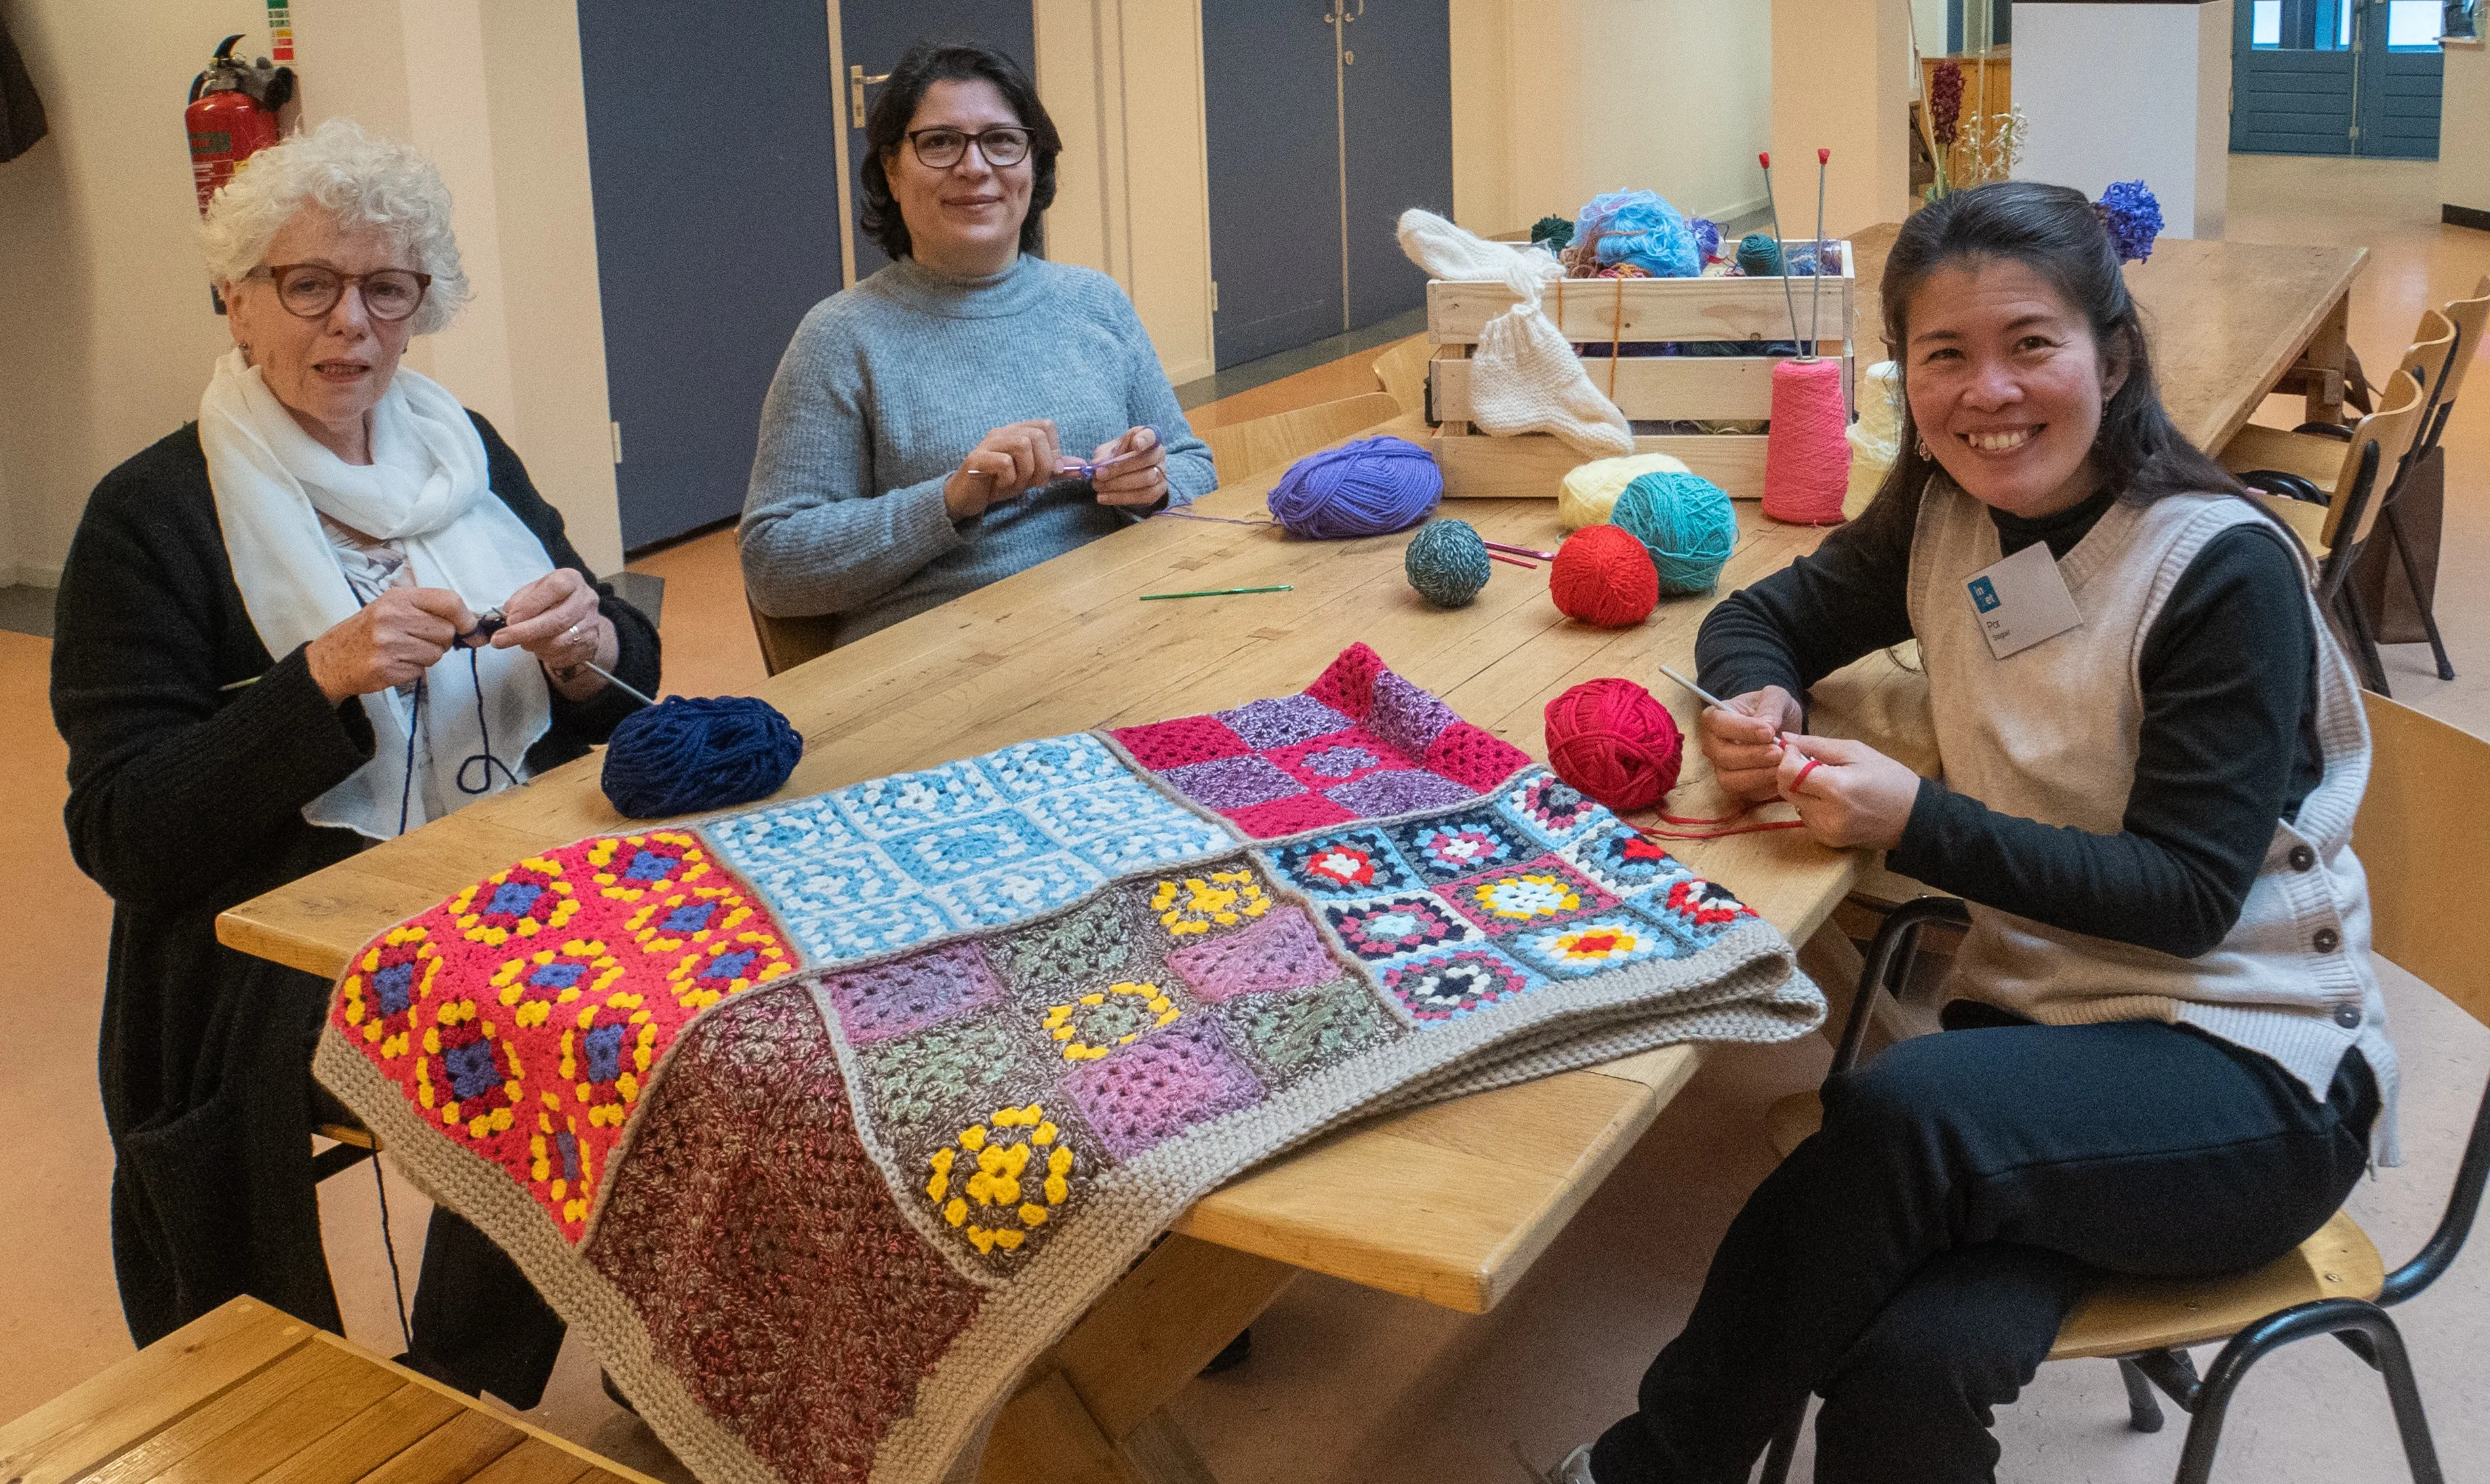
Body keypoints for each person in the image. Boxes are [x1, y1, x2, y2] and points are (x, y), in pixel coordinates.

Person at [1563, 181, 2394, 1483]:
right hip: (2048, 1044)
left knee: (1895, 1109)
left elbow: (2181, 896)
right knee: (1910, 1354)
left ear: (2110, 358)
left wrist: (1920, 821)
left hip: (2253, 1068)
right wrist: (1756, 691)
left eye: (2030, 344)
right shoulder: (1942, 512)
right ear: (1905, 375)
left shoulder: (2215, 568)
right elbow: (1762, 613)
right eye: (1943, 355)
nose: (1987, 391)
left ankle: (1656, 1464)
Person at [49, 118, 658, 1405]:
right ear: (237, 300)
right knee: (555, 1029)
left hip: (499, 867)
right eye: (307, 284)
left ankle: (472, 1366)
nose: (351, 325)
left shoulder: (464, 453)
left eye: (389, 288)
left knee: (688, 1002)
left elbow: (623, 683)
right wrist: (317, 679)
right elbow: (123, 829)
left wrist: (587, 640)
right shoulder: (151, 514)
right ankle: (385, 1391)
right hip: (267, 932)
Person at [740, 40, 1217, 646]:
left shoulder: (1094, 301)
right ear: (891, 168)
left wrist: (1155, 485)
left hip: (1128, 623)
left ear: (1032, 162)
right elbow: (774, 567)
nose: (974, 167)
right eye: (939, 143)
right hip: (951, 662)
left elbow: (1194, 464)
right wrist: (948, 499)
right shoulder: (839, 336)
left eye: (1000, 139)